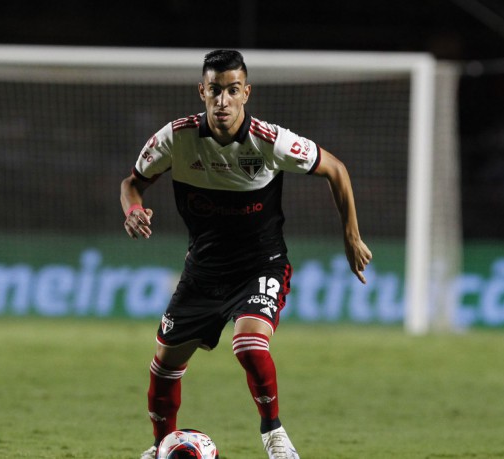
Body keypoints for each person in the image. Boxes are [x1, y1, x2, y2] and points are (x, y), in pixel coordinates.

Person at [121, 50, 372, 459]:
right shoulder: (175, 138)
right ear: (201, 91)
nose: (223, 101)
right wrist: (133, 211)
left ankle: (274, 435)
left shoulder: (270, 142)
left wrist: (351, 236)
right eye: (215, 90)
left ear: (246, 93)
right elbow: (131, 183)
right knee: (164, 365)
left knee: (250, 345)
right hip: (203, 271)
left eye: (232, 90)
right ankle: (161, 445)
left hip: (261, 266)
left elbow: (336, 170)